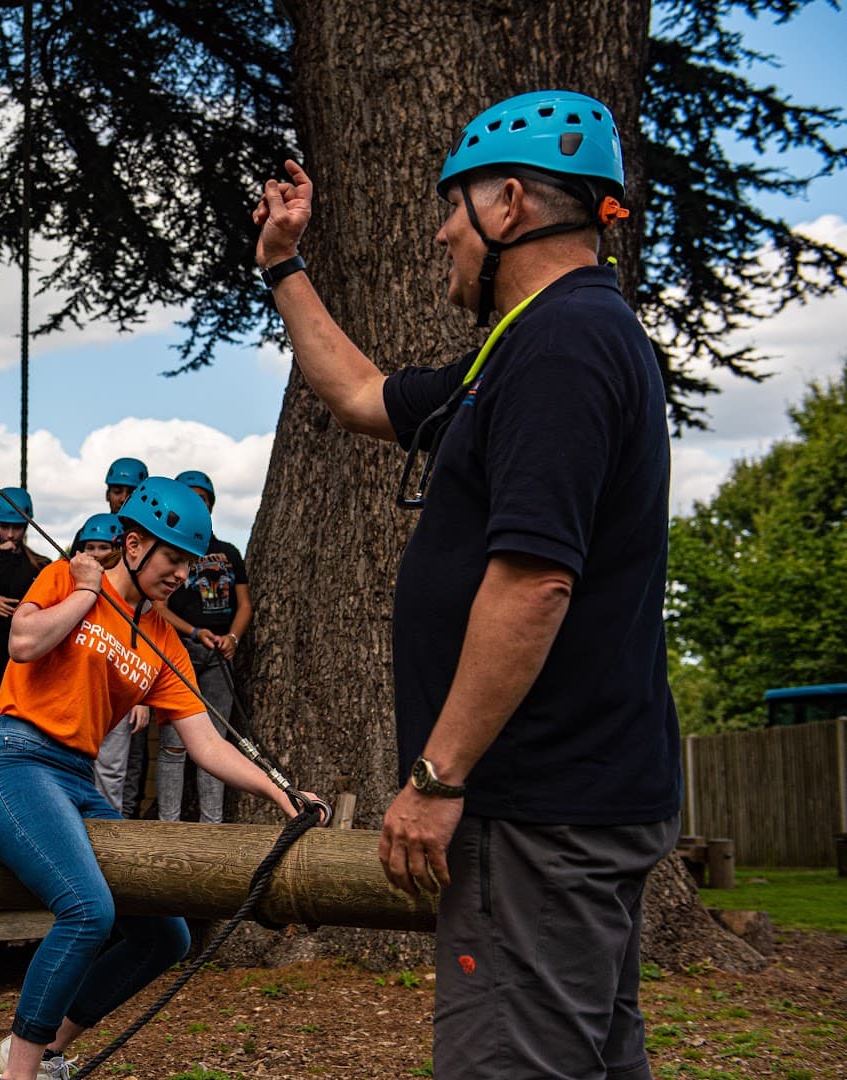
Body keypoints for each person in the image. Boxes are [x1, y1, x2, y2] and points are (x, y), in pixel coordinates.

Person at [253, 90, 680, 1079]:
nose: (442, 229)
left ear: (512, 204)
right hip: (572, 803)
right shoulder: (524, 348)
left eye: (454, 204)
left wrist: (436, 778)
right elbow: (360, 395)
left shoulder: (562, 347)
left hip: (534, 811)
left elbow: (533, 585)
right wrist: (283, 264)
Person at [0, 477, 306, 1080]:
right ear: (135, 542)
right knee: (87, 910)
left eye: (190, 565)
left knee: (166, 936)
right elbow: (22, 642)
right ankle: (18, 1074)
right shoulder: (68, 577)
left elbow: (207, 745)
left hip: (75, 777)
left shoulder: (163, 641)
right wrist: (87, 594)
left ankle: (46, 1055)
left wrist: (284, 794)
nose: (182, 576)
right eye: (173, 559)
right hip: (8, 756)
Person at [153, 470, 251, 824]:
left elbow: (244, 604)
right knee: (174, 742)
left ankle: (212, 826)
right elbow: (159, 607)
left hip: (219, 654)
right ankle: (169, 824)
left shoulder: (227, 552)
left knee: (216, 742)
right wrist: (194, 632)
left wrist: (233, 638)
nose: (199, 504)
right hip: (181, 649)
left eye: (203, 499)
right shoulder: (173, 554)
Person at [69, 512, 148, 814]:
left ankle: (110, 838)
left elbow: (143, 646)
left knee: (112, 775)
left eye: (104, 547)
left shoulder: (135, 594)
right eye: (90, 547)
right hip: (79, 691)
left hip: (117, 693)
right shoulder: (69, 581)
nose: (97, 554)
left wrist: (142, 699)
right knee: (74, 771)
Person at [105, 456, 152, 812]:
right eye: (117, 491)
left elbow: (147, 623)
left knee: (126, 763)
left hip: (131, 668)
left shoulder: (150, 552)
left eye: (129, 492)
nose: (121, 498)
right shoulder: (99, 531)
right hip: (97, 662)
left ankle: (124, 820)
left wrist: (141, 694)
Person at [0, 487, 51, 699]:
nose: (10, 534)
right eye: (4, 526)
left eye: (17, 527)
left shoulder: (41, 566)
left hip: (28, 656)